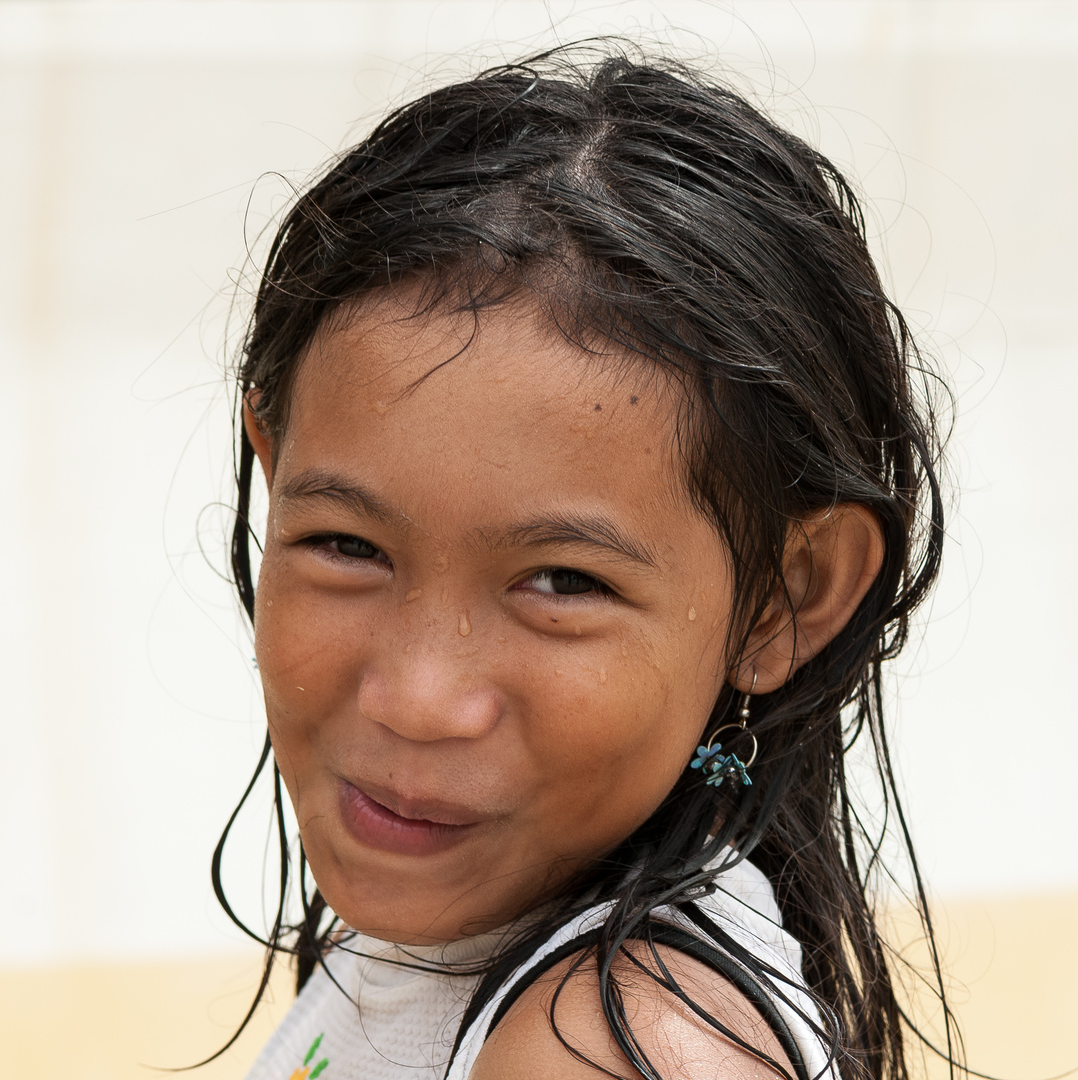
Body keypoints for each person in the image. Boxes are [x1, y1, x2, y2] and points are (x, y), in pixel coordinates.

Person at [208, 44, 952, 1080]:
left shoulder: (605, 1044)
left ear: (783, 599)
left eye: (562, 582)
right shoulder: (469, 942)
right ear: (270, 466)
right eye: (346, 546)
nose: (419, 700)